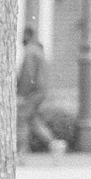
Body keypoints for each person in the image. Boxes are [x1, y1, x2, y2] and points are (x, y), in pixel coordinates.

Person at [14, 27, 55, 157]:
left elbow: (28, 75)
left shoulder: (30, 52)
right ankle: (55, 144)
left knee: (20, 118)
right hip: (40, 91)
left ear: (27, 36)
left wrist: (21, 94)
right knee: (32, 119)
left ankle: (22, 151)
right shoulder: (38, 50)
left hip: (33, 92)